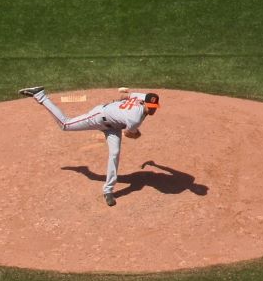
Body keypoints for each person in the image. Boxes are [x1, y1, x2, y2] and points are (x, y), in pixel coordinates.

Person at [17, 86, 162, 207]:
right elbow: (130, 134)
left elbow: (125, 95)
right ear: (144, 103)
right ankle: (40, 95)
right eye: (151, 107)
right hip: (99, 117)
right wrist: (136, 132)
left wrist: (118, 107)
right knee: (66, 125)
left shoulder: (143, 97)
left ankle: (108, 190)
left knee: (115, 153)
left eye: (154, 107)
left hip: (113, 125)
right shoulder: (134, 117)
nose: (153, 110)